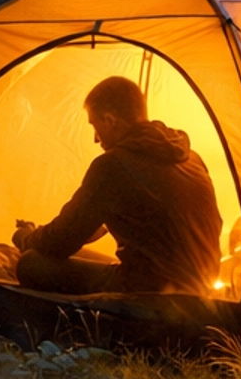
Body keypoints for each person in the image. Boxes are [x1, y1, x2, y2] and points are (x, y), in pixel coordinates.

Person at [13, 75, 222, 295]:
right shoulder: (192, 158)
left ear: (109, 120)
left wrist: (27, 238)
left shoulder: (113, 165)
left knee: (31, 263)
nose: (95, 138)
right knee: (80, 254)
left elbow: (61, 240)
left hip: (153, 294)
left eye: (95, 125)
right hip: (202, 292)